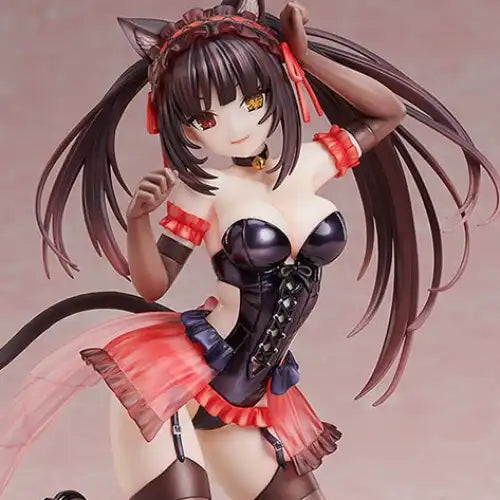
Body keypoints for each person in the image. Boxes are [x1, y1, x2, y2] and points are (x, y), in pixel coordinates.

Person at [1, 1, 498, 499]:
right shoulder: (204, 190)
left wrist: (305, 56)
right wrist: (137, 221)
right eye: (206, 118)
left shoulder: (309, 164)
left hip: (253, 397)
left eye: (252, 100)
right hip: (180, 383)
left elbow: (388, 112)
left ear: (279, 85)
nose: (236, 125)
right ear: (183, 127)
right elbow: (152, 287)